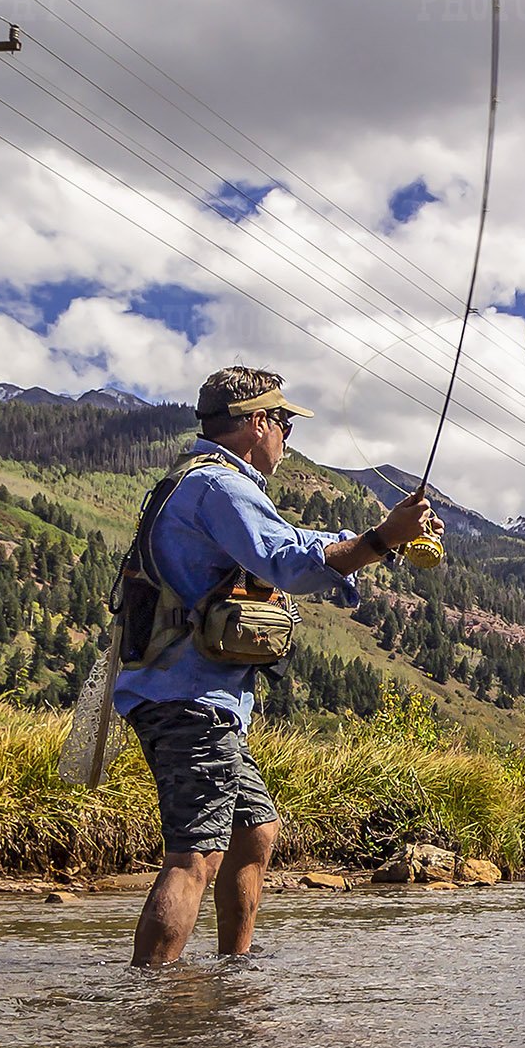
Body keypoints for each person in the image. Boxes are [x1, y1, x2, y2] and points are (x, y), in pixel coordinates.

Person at [118, 365, 439, 966]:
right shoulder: (221, 488)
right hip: (190, 700)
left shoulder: (204, 484)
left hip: (196, 699)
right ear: (258, 422)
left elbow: (290, 541)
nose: (287, 439)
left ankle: (231, 978)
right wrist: (378, 540)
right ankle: (151, 1007)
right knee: (195, 856)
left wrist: (386, 537)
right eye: (284, 423)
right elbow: (287, 561)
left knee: (254, 833)